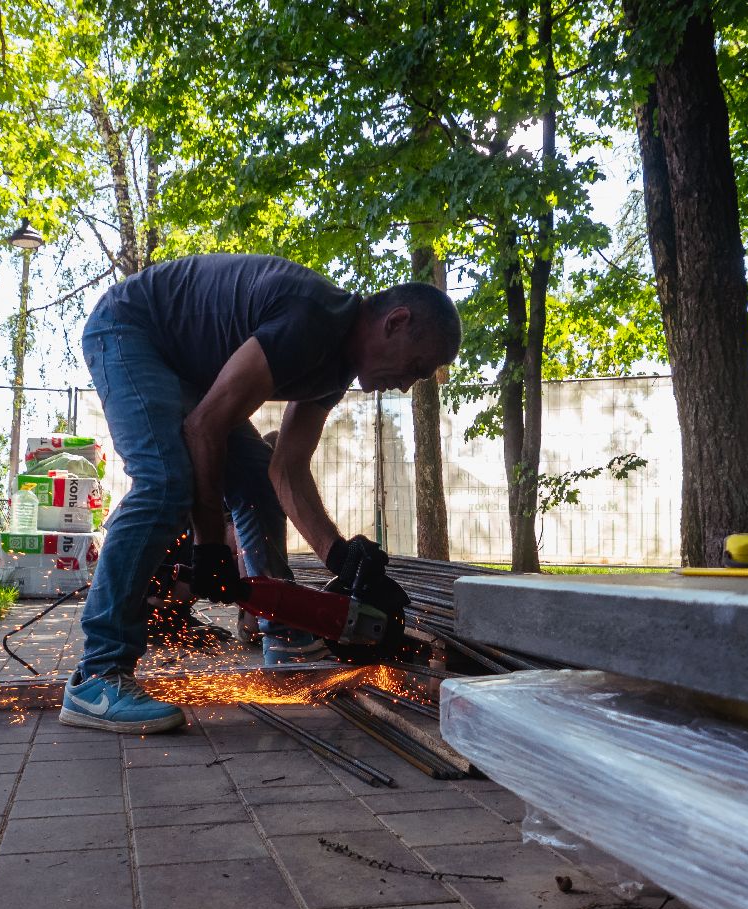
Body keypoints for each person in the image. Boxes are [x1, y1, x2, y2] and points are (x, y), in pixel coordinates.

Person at [61, 253, 462, 734]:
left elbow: (285, 467)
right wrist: (210, 543)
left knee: (253, 480)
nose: (406, 383)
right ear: (396, 322)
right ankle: (97, 675)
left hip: (184, 365)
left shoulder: (335, 365)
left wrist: (339, 556)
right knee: (164, 481)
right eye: (415, 367)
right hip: (129, 328)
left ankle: (285, 635)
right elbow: (204, 427)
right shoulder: (312, 320)